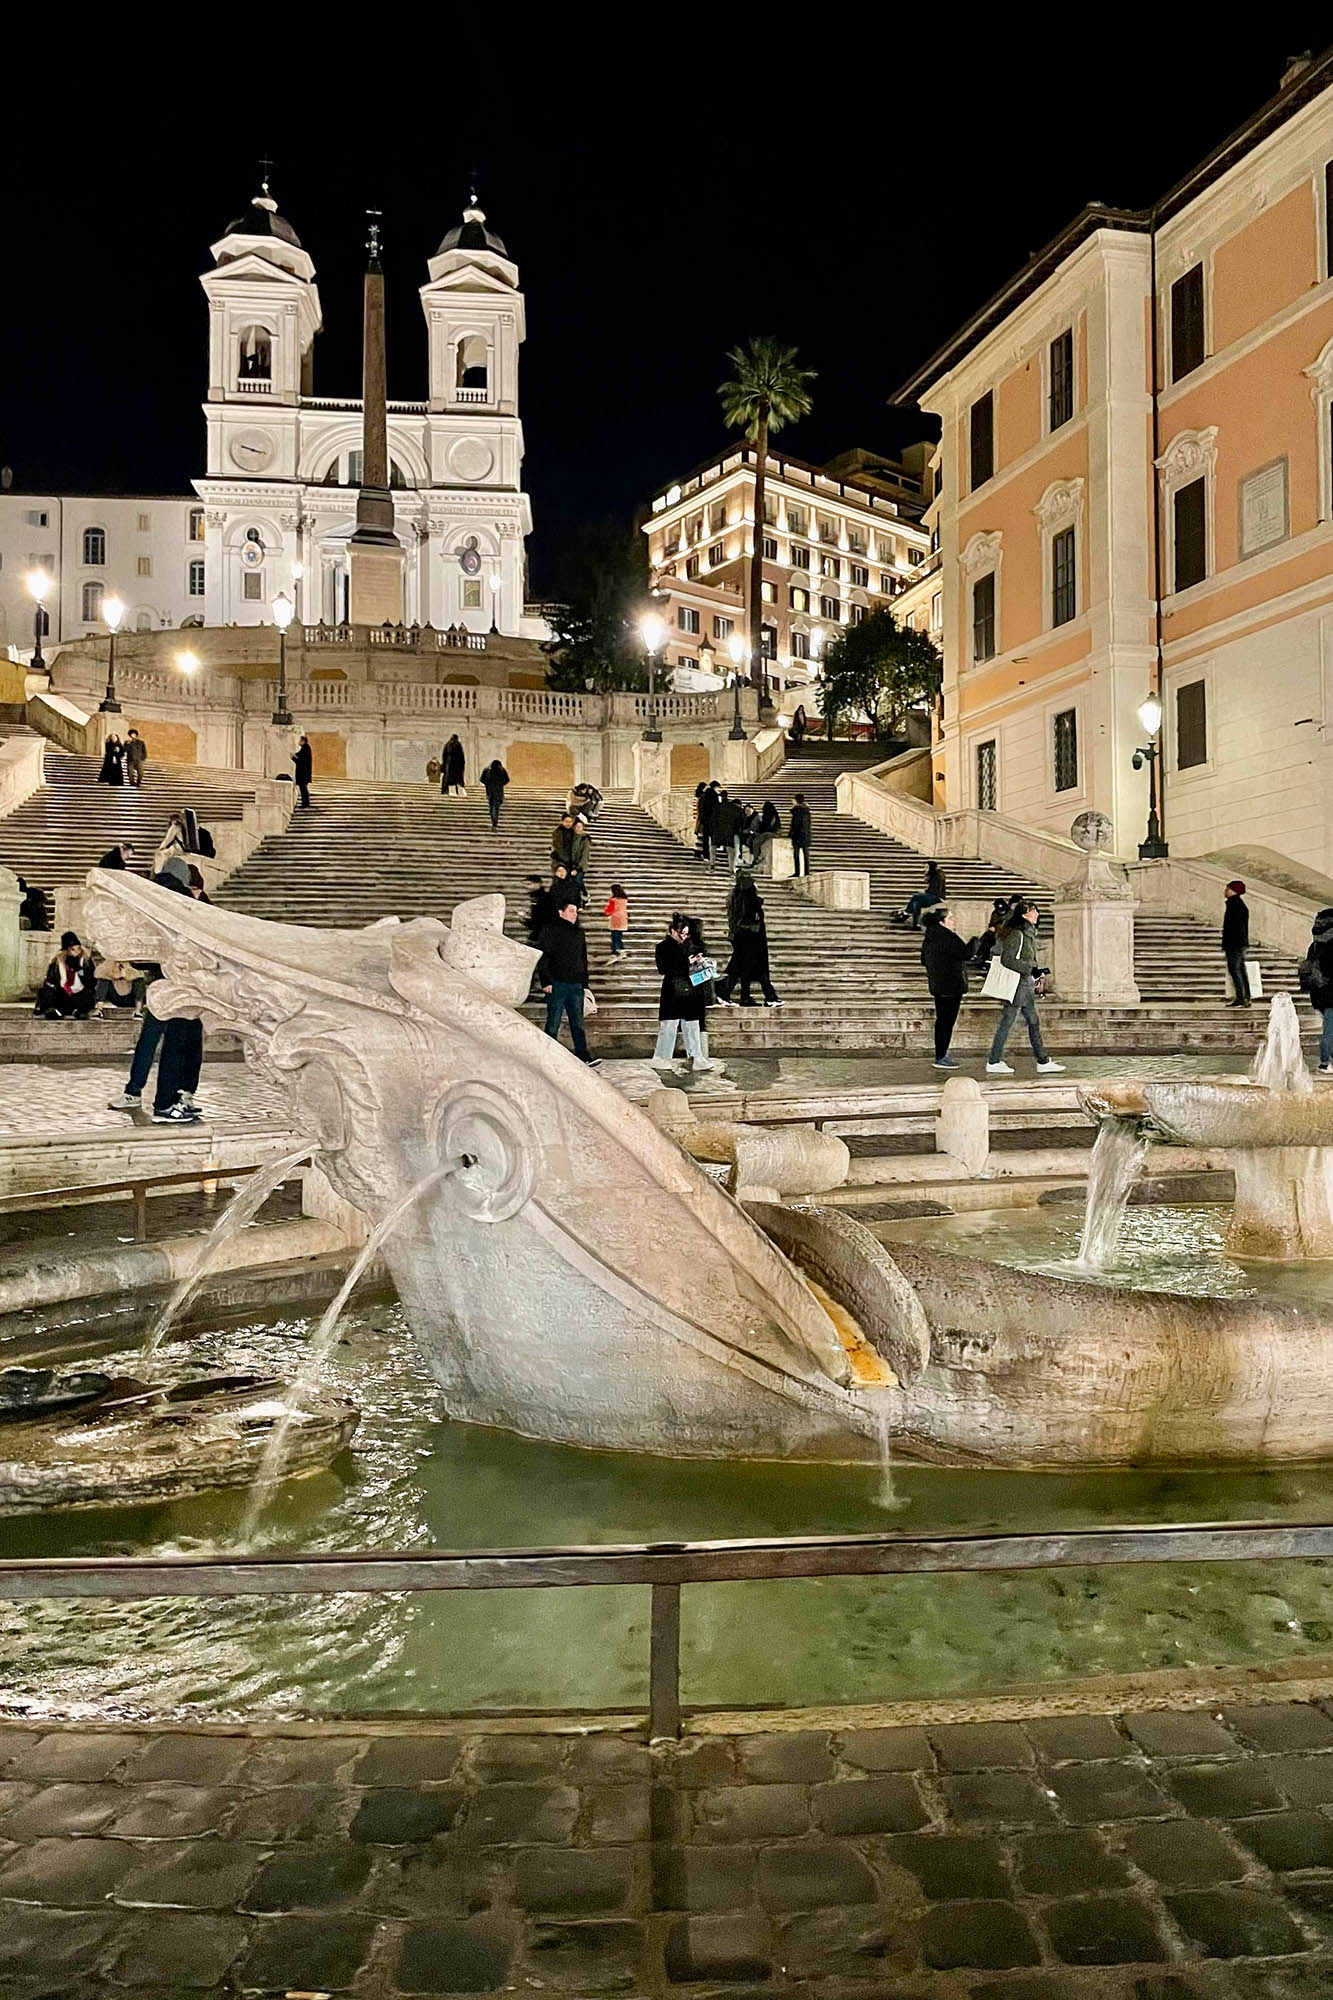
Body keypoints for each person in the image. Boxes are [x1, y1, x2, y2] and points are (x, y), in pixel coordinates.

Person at [107, 861, 205, 1123]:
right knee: (179, 1046)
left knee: (150, 1043)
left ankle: (140, 1093)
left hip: (160, 986)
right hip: (182, 988)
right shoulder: (184, 902)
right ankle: (168, 1102)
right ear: (185, 882)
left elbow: (141, 952)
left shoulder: (151, 899)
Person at [986, 902, 1065, 1076]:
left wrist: (1035, 972)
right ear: (1024, 914)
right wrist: (1031, 969)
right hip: (1017, 986)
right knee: (1008, 1023)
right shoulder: (1017, 934)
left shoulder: (1027, 933)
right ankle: (993, 1061)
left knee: (1033, 1022)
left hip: (1024, 986)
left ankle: (1042, 1060)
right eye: (1033, 911)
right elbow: (1008, 960)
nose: (1037, 913)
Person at [536, 897, 599, 1066]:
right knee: (553, 1022)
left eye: (576, 912)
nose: (574, 915)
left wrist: (585, 984)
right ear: (560, 912)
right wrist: (546, 981)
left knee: (578, 1022)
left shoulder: (578, 933)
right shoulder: (550, 930)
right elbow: (544, 957)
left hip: (576, 984)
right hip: (557, 984)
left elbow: (583, 959)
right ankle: (546, 1057)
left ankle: (583, 1055)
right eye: (571, 911)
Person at [653, 914, 715, 1072]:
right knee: (669, 1025)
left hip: (690, 988)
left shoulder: (690, 946)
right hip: (672, 989)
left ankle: (696, 1057)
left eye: (686, 934)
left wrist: (699, 962)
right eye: (681, 933)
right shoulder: (662, 947)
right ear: (672, 931)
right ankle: (662, 1057)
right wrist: (686, 962)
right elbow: (664, 968)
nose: (684, 937)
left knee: (692, 1025)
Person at [714, 872, 780, 1008]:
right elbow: (752, 922)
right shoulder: (748, 902)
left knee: (742, 968)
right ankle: (724, 991)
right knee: (740, 968)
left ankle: (745, 996)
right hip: (751, 940)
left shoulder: (737, 899)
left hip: (742, 938)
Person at [921, 907, 973, 1068]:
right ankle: (941, 1057)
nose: (953, 921)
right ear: (942, 922)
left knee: (942, 1021)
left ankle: (940, 1054)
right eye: (950, 918)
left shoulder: (930, 938)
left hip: (938, 985)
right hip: (951, 985)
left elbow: (923, 959)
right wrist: (976, 941)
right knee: (946, 1022)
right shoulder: (948, 937)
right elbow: (965, 953)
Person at [34, 932, 96, 1020]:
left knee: (88, 996)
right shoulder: (56, 964)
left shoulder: (86, 962)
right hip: (63, 994)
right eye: (72, 949)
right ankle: (54, 1010)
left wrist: (80, 971)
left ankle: (76, 1011)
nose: (76, 952)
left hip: (80, 994)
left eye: (78, 949)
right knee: (46, 992)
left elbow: (91, 982)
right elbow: (51, 981)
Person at [1304, 907, 1333, 1074]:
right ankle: (1326, 1062)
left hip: (1319, 994)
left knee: (1329, 1026)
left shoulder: (1314, 944)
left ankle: (1327, 1061)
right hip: (1331, 993)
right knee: (1330, 1029)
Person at [1223, 880, 1251, 1007]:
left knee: (1235, 969)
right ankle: (1245, 997)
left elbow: (1232, 928)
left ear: (1233, 890)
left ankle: (1241, 997)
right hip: (1239, 943)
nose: (1225, 891)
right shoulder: (1239, 905)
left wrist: (1229, 943)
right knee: (1240, 969)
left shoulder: (1234, 905)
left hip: (1234, 943)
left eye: (1227, 888)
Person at [898, 862, 947, 930]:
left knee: (915, 896)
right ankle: (916, 925)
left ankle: (906, 914)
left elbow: (935, 890)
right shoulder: (933, 874)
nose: (925, 869)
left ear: (931, 867)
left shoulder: (938, 875)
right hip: (931, 896)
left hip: (936, 897)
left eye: (927, 867)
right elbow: (928, 884)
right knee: (917, 903)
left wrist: (924, 892)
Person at [748, 800, 781, 872]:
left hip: (771, 833)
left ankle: (756, 858)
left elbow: (768, 826)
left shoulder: (771, 815)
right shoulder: (772, 815)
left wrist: (759, 832)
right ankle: (756, 857)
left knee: (756, 842)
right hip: (770, 832)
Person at [714, 790, 742, 869]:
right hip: (733, 832)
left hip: (727, 831)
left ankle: (732, 867)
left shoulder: (720, 807)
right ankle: (732, 868)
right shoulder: (734, 808)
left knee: (732, 850)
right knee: (733, 851)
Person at [696, 780, 721, 863]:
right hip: (712, 821)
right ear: (715, 787)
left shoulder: (704, 795)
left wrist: (701, 820)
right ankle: (711, 856)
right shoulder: (715, 796)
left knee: (705, 839)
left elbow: (702, 809)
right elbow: (717, 809)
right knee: (712, 840)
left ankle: (706, 854)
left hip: (705, 820)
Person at [481, 759, 509, 830]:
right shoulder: (502, 770)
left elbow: (482, 779)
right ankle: (494, 821)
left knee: (491, 806)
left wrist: (488, 784)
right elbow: (506, 780)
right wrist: (500, 784)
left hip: (490, 791)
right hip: (498, 791)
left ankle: (493, 821)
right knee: (496, 807)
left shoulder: (487, 770)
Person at [603, 882, 629, 958]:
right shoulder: (624, 899)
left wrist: (605, 910)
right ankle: (622, 950)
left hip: (615, 919)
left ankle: (614, 952)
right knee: (619, 935)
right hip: (623, 918)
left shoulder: (613, 900)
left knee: (614, 936)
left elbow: (609, 910)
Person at [790, 793, 812, 877]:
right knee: (806, 854)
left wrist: (791, 834)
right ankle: (807, 872)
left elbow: (795, 824)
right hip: (806, 834)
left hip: (797, 835)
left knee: (796, 855)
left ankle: (797, 872)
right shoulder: (807, 811)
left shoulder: (797, 810)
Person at [292, 735, 313, 809]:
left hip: (303, 773)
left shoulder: (305, 749)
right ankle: (305, 803)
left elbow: (301, 761)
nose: (299, 742)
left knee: (303, 789)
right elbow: (299, 755)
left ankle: (305, 804)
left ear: (303, 741)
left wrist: (293, 758)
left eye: (300, 740)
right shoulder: (305, 748)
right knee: (303, 788)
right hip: (304, 773)